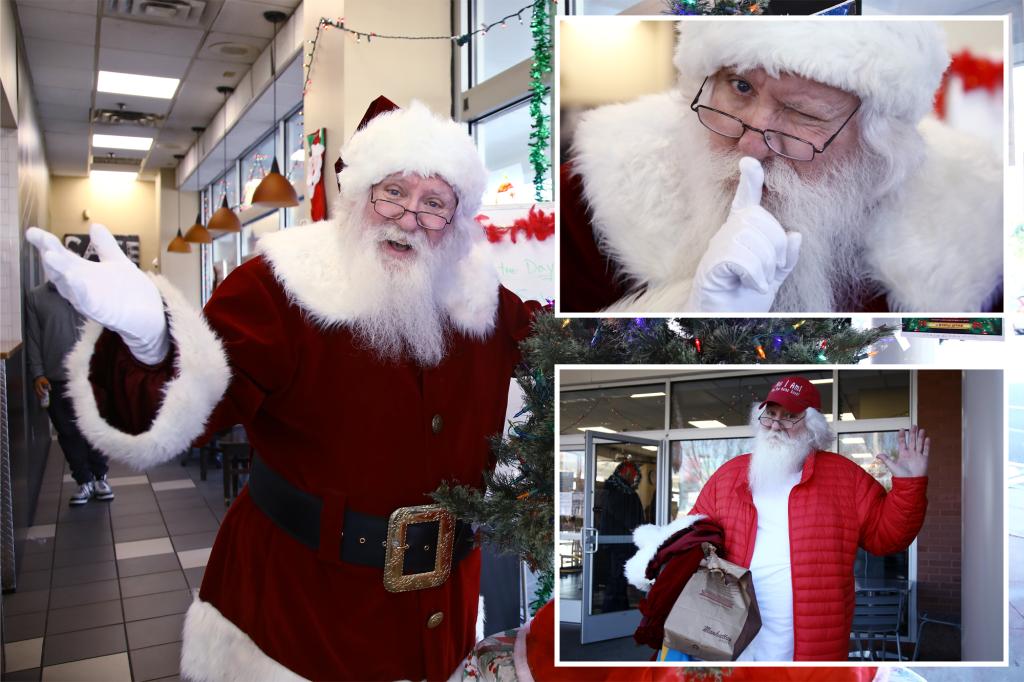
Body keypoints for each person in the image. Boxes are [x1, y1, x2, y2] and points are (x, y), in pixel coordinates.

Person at [27, 100, 537, 681]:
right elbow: (192, 402)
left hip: (441, 618)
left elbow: (556, 350)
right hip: (301, 615)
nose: (408, 218)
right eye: (392, 192)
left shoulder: (483, 304)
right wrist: (147, 338)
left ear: (456, 221)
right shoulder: (283, 285)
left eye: (434, 204)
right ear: (358, 195)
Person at [560, 21, 1002, 313]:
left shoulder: (974, 241)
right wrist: (693, 312)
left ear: (877, 147)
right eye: (739, 87)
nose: (751, 145)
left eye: (803, 114)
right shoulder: (586, 200)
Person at [626, 376, 928, 661]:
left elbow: (886, 538)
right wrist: (657, 557)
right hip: (730, 627)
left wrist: (909, 487)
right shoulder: (729, 475)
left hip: (811, 635)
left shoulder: (844, 477)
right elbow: (694, 535)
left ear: (811, 426)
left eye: (789, 416)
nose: (776, 425)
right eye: (770, 415)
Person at [25, 280, 114, 505]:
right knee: (68, 432)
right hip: (56, 377)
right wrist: (37, 373)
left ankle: (100, 478)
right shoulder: (36, 297)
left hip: (92, 375)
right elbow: (33, 339)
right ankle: (83, 481)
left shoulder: (89, 291)